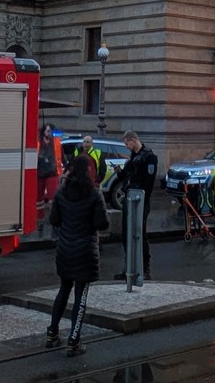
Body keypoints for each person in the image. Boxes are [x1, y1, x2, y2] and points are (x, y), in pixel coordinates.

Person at [46, 154, 109, 356]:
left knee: (63, 290)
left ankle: (52, 333)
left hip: (65, 250)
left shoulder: (62, 193)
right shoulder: (94, 193)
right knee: (81, 297)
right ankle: (74, 341)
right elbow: (102, 224)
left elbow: (53, 220)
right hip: (85, 252)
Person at [113, 129, 159, 282]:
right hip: (129, 199)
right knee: (127, 235)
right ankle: (128, 269)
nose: (126, 147)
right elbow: (125, 176)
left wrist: (141, 198)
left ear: (133, 140)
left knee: (140, 235)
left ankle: (145, 269)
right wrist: (119, 171)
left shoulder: (149, 157)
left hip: (140, 201)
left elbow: (148, 183)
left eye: (127, 143)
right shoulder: (133, 157)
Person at [37, 123, 61, 217]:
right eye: (48, 131)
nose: (49, 133)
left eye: (51, 131)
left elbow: (61, 155)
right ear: (43, 132)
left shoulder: (56, 142)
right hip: (39, 173)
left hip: (52, 172)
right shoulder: (38, 142)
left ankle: (53, 217)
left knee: (52, 196)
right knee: (39, 198)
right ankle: (40, 218)